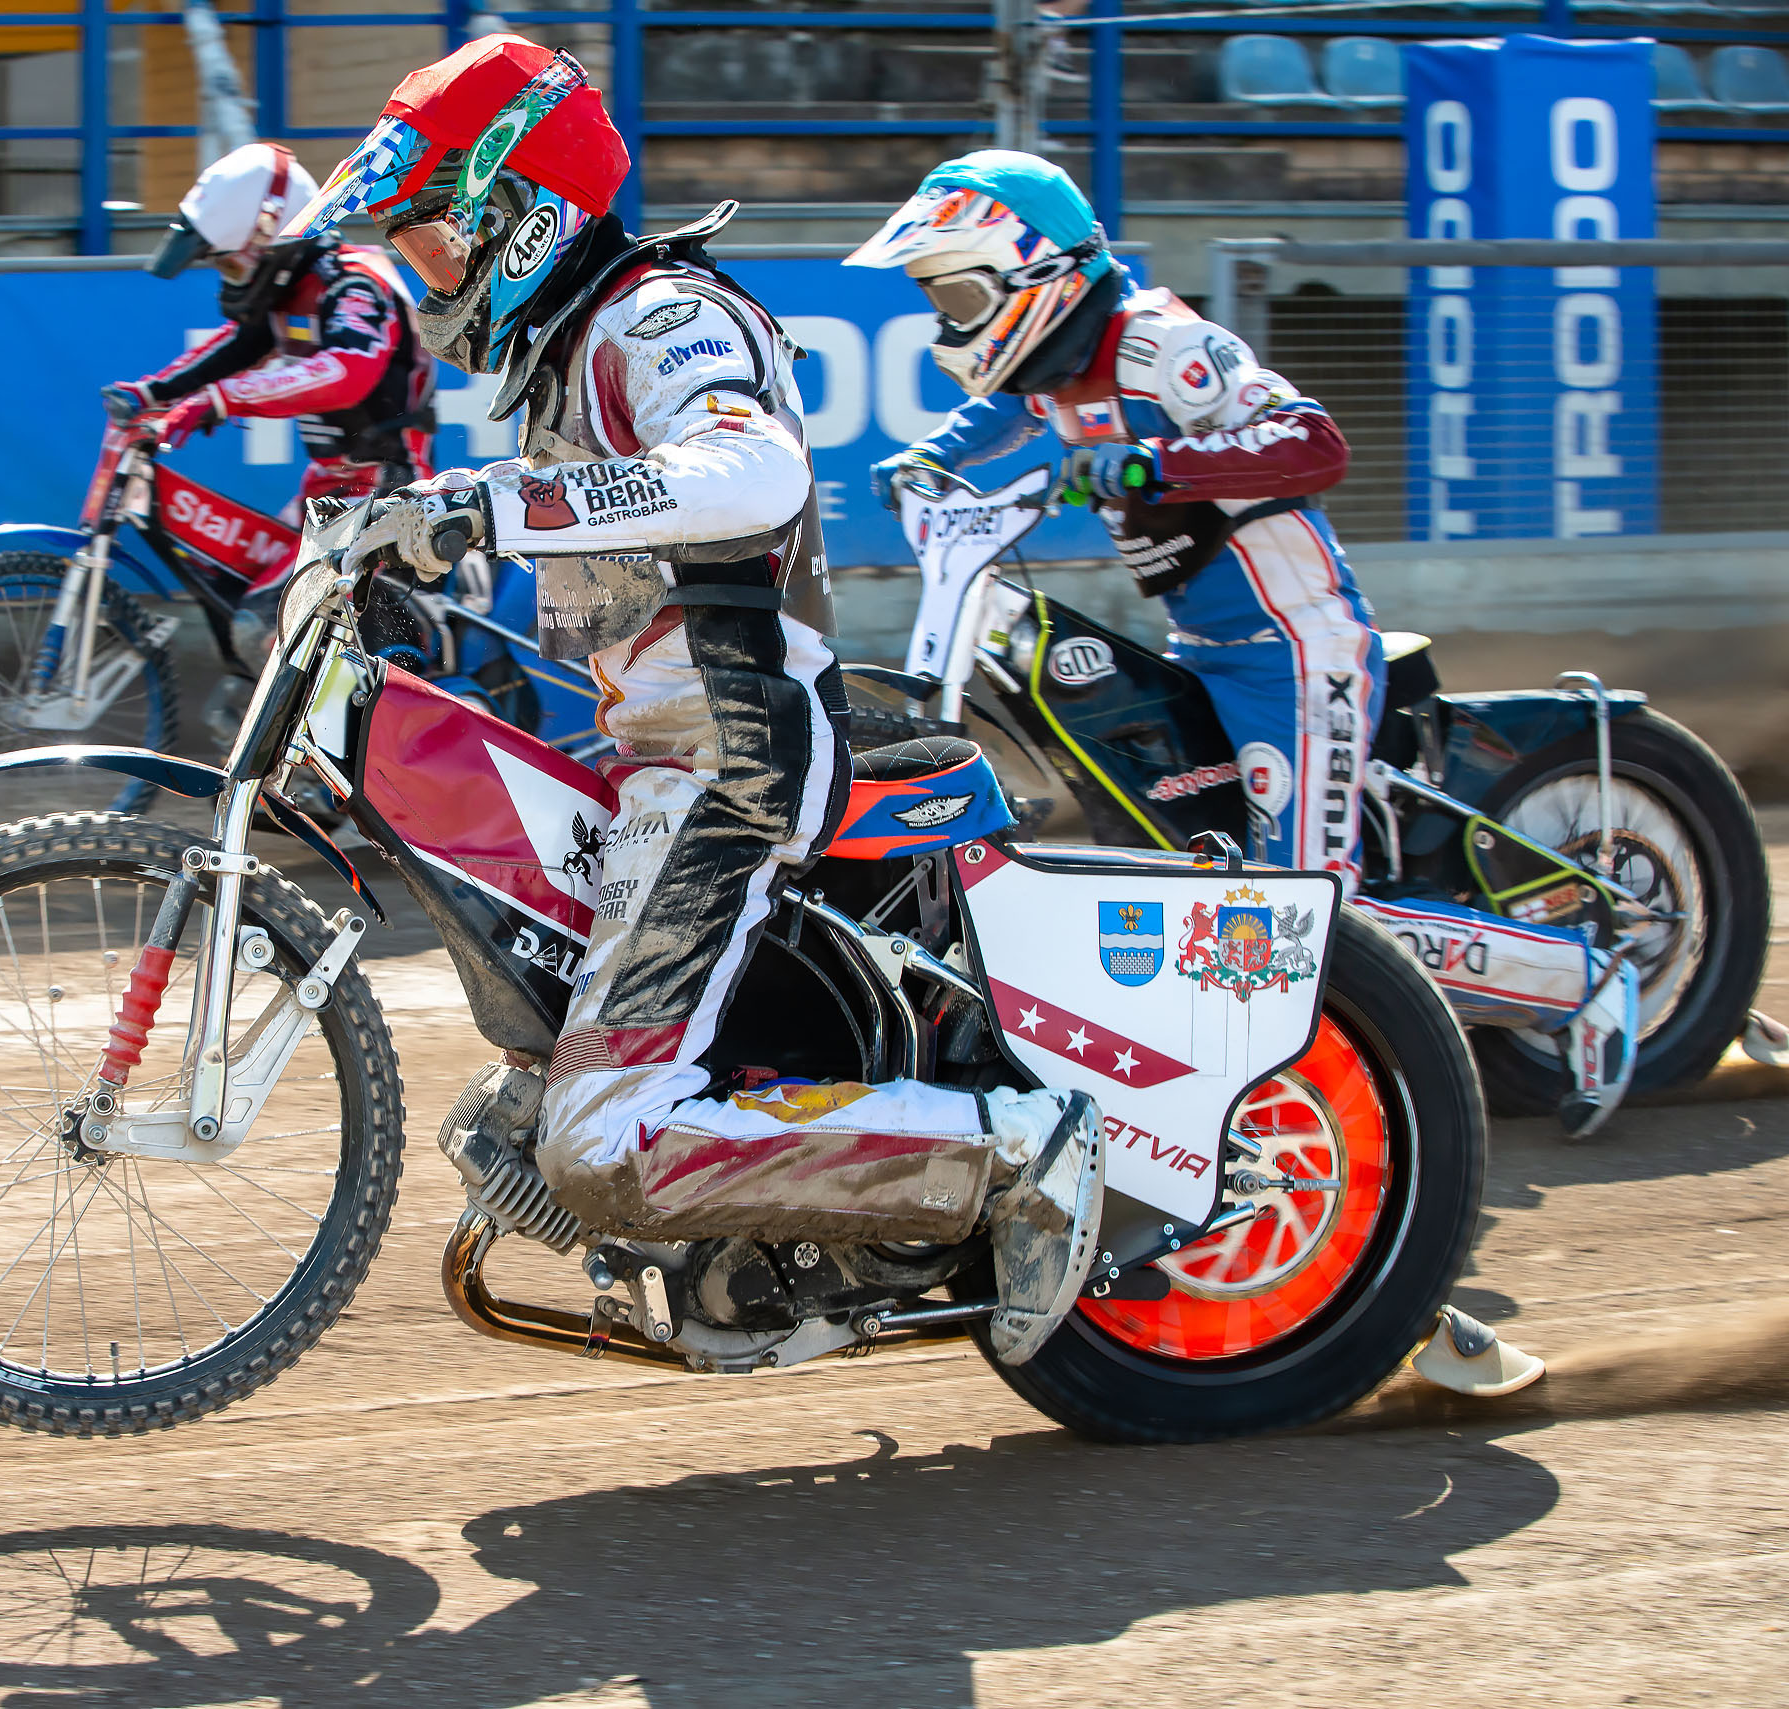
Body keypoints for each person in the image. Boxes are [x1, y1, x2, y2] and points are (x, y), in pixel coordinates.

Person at [276, 36, 1106, 1363]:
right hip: (663, 748)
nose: (420, 269)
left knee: (601, 1142)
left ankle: (1013, 1150)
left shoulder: (657, 313)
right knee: (538, 1039)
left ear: (519, 209)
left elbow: (752, 472)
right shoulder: (565, 349)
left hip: (730, 757)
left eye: (433, 235)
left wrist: (490, 507)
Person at [848, 149, 1635, 1133]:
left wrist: (1149, 468)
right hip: (1206, 651)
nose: (947, 316)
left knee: (1310, 914)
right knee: (1211, 876)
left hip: (1299, 659)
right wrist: (928, 456)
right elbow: (1003, 409)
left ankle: (1578, 975)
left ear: (1035, 274)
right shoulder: (1055, 367)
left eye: (957, 291)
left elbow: (1314, 443)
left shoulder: (1164, 348)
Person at [106, 141, 437, 516]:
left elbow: (347, 372)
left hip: (390, 491)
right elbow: (239, 345)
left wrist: (218, 400)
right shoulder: (292, 287)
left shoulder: (354, 284)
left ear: (269, 240)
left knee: (279, 578)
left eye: (231, 267)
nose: (229, 281)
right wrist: (150, 393)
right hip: (327, 487)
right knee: (238, 570)